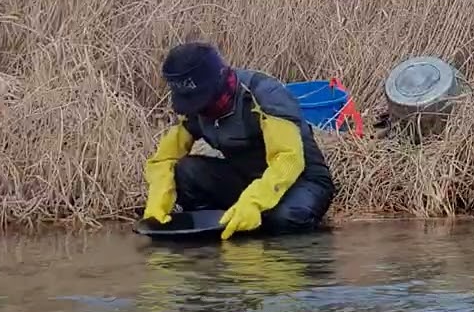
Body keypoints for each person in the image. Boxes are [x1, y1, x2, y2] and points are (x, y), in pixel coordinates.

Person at [140, 41, 336, 239]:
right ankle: (221, 230)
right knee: (186, 171)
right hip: (247, 178)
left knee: (283, 219)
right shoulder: (195, 109)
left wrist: (254, 202)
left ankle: (264, 224)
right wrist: (158, 196)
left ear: (219, 84)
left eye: (201, 101)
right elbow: (165, 158)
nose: (199, 110)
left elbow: (289, 159)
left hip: (302, 180)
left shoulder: (265, 95)